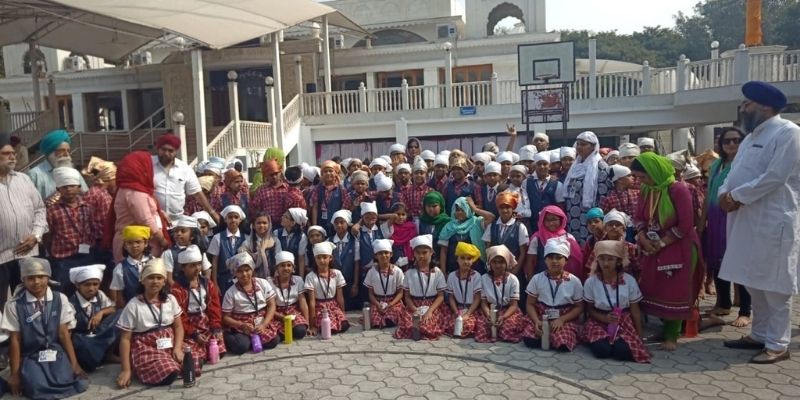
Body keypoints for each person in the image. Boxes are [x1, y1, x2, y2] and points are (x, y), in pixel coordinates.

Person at [718, 81, 800, 364]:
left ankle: (778, 344)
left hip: (773, 222)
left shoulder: (788, 133)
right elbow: (733, 172)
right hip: (745, 220)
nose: (743, 108)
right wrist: (723, 193)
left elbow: (775, 177)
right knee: (752, 281)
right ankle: (760, 334)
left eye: (747, 103)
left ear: (765, 106)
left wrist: (736, 196)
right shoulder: (750, 137)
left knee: (775, 284)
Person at [631, 152, 704, 351]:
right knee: (655, 287)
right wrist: (643, 238)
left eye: (643, 176)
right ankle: (665, 330)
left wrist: (662, 243)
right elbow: (639, 218)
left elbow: (686, 224)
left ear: (655, 171)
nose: (640, 181)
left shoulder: (678, 189)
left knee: (674, 290)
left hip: (679, 245)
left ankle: (672, 335)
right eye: (637, 177)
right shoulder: (647, 189)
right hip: (653, 246)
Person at [1, 258, 87, 398]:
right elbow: (15, 340)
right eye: (30, 278)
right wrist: (14, 374)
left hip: (54, 351)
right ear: (23, 280)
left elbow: (63, 334)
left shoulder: (60, 299)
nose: (36, 282)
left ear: (48, 277)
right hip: (30, 355)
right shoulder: (14, 305)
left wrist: (75, 364)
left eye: (41, 277)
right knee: (36, 386)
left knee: (64, 380)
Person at [701, 127, 751, 327]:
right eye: (727, 141)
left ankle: (745, 311)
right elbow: (708, 194)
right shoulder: (716, 165)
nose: (731, 144)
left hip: (736, 218)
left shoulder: (746, 164)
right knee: (717, 260)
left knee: (739, 262)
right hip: (715, 219)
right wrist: (702, 220)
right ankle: (723, 303)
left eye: (736, 140)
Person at [116, 258, 191, 388]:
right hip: (146, 348)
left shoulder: (170, 300)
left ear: (164, 282)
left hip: (170, 344)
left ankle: (174, 365)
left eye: (159, 278)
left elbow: (178, 327)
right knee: (168, 370)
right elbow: (125, 339)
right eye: (151, 278)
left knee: (193, 359)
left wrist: (177, 348)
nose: (155, 281)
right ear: (143, 280)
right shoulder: (134, 305)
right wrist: (126, 370)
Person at [582, 241, 650, 363]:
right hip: (599, 321)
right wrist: (604, 318)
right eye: (602, 259)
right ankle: (602, 342)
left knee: (621, 352)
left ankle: (615, 343)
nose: (605, 263)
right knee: (602, 351)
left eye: (610, 259)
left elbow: (635, 310)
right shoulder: (591, 282)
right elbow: (589, 309)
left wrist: (639, 337)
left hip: (623, 321)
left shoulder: (629, 281)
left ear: (618, 261)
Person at [0, 133, 47, 309]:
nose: (13, 157)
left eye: (13, 153)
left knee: (29, 305)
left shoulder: (24, 179)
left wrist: (36, 236)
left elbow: (40, 209)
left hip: (27, 254)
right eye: (6, 153)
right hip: (1, 258)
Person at [106, 151, 171, 263]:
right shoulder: (134, 192)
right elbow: (145, 219)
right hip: (136, 248)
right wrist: (162, 240)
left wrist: (161, 214)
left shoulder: (131, 189)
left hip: (138, 245)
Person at [521, 239, 584, 351]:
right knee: (529, 339)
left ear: (566, 260)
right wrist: (537, 321)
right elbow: (530, 304)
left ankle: (554, 338)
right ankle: (547, 337)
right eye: (550, 258)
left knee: (562, 344)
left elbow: (579, 307)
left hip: (564, 318)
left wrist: (562, 319)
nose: (554, 261)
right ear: (545, 260)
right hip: (542, 316)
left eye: (558, 258)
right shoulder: (537, 279)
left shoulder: (574, 281)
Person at [44, 167, 95, 294]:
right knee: (63, 292)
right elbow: (48, 235)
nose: (69, 190)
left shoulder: (87, 206)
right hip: (63, 259)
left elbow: (91, 228)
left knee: (85, 292)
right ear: (58, 189)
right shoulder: (52, 210)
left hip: (86, 255)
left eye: (72, 186)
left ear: (79, 187)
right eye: (65, 187)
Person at [171, 245, 226, 361]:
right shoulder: (177, 290)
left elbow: (214, 308)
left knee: (217, 345)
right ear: (183, 268)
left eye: (199, 264)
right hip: (188, 327)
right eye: (192, 266)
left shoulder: (207, 284)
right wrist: (194, 334)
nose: (197, 269)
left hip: (206, 324)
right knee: (191, 352)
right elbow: (180, 317)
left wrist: (216, 328)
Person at [152, 133, 218, 225]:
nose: (166, 153)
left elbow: (197, 193)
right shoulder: (148, 165)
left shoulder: (184, 168)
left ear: (176, 151)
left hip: (177, 222)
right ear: (158, 149)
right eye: (163, 149)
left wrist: (212, 213)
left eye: (170, 151)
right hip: (153, 219)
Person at [560, 131, 613, 244]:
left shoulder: (600, 166)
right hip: (573, 214)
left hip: (591, 214)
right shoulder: (576, 166)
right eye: (578, 144)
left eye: (583, 144)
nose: (579, 147)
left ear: (593, 147)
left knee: (590, 242)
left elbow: (604, 195)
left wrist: (598, 216)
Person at [221, 252, 280, 354]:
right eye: (240, 271)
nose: (244, 274)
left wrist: (264, 324)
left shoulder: (263, 283)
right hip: (243, 325)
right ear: (234, 273)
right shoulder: (230, 292)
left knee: (273, 341)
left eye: (247, 270)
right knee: (241, 347)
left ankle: (253, 341)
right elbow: (226, 317)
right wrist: (241, 325)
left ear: (252, 269)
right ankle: (229, 336)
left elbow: (271, 306)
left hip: (260, 322)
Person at [394, 235, 449, 340]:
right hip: (414, 306)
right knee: (409, 324)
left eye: (424, 252)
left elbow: (441, 296)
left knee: (429, 323)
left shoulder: (437, 272)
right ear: (414, 253)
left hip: (432, 306)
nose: (421, 256)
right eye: (418, 253)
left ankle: (422, 330)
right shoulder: (409, 273)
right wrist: (415, 310)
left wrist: (429, 311)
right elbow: (407, 297)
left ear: (431, 252)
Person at [68, 264, 121, 372]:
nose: (91, 288)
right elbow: (69, 331)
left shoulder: (99, 295)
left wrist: (101, 312)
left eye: (95, 284)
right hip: (82, 337)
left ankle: (108, 354)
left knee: (120, 314)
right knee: (85, 346)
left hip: (97, 332)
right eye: (87, 285)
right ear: (78, 285)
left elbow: (113, 309)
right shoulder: (71, 303)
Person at [474, 245, 527, 343]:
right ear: (489, 263)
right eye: (494, 262)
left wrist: (503, 317)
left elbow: (514, 305)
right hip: (490, 310)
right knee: (483, 328)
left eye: (501, 262)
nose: (497, 265)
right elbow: (484, 303)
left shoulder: (513, 279)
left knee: (508, 328)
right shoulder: (484, 278)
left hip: (508, 311)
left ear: (507, 263)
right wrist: (489, 315)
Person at [524, 205, 583, 279]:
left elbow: (576, 262)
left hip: (565, 280)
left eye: (554, 219)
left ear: (561, 220)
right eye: (547, 220)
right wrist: (531, 281)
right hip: (541, 280)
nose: (551, 223)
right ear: (542, 221)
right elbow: (531, 262)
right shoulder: (537, 238)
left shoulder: (568, 238)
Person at [439, 197, 495, 275]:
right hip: (454, 270)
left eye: (463, 209)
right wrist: (443, 272)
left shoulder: (477, 222)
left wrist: (475, 209)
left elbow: (491, 217)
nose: (459, 212)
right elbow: (444, 251)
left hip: (476, 268)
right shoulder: (448, 227)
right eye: (457, 210)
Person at [27, 129, 88, 200]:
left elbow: (86, 195)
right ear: (50, 153)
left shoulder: (74, 172)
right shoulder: (35, 174)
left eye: (68, 151)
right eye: (61, 151)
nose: (67, 154)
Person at [305, 242, 350, 335]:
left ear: (330, 258)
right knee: (329, 328)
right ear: (315, 259)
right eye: (318, 258)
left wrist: (343, 314)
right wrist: (312, 325)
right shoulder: (310, 276)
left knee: (344, 325)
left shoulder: (337, 273)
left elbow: (340, 297)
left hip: (333, 306)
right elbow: (312, 301)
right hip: (319, 307)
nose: (322, 260)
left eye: (324, 257)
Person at [362, 239, 405, 329]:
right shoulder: (372, 272)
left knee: (394, 315)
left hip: (393, 302)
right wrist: (378, 304)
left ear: (391, 254)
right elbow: (370, 294)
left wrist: (390, 304)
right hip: (377, 302)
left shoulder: (397, 271)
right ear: (376, 256)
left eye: (386, 253)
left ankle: (388, 321)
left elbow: (400, 293)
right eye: (380, 253)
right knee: (374, 317)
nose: (383, 255)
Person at [251, 158, 306, 226]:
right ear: (266, 176)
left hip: (285, 225)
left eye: (276, 174)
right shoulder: (261, 190)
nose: (274, 177)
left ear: (280, 172)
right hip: (268, 226)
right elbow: (255, 208)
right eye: (271, 175)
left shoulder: (288, 188)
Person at [445, 242, 483, 338]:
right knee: (451, 324)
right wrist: (456, 312)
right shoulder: (452, 276)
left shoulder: (476, 276)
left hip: (472, 309)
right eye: (462, 258)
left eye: (469, 259)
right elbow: (451, 297)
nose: (465, 261)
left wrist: (468, 314)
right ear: (457, 259)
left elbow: (477, 298)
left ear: (473, 260)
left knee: (468, 325)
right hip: (458, 308)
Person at [208, 205, 248, 297]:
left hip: (242, 279)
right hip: (223, 280)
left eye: (236, 217)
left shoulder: (246, 238)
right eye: (230, 217)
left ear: (240, 220)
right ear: (225, 219)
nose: (233, 220)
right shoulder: (217, 238)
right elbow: (214, 262)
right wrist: (215, 283)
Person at [270, 251, 310, 341]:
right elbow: (270, 307)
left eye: (289, 265)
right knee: (277, 335)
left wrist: (307, 324)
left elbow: (303, 302)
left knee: (301, 331)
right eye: (282, 265)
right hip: (277, 313)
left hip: (293, 312)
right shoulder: (269, 282)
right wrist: (283, 318)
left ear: (293, 268)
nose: (286, 268)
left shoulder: (298, 280)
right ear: (277, 268)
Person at [110, 225, 153, 307]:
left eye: (138, 242)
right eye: (130, 243)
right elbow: (119, 295)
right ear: (125, 246)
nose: (134, 246)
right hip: (132, 308)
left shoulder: (154, 262)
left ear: (146, 243)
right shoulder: (120, 268)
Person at [329, 209, 359, 310]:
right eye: (336, 223)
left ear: (348, 223)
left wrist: (355, 284)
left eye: (342, 222)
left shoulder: (354, 241)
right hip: (334, 282)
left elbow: (356, 263)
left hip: (349, 280)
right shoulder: (329, 241)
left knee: (350, 306)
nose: (339, 225)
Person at [311, 160, 351, 236]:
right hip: (321, 223)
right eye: (325, 171)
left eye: (330, 171)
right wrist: (315, 226)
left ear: (335, 173)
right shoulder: (317, 189)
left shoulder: (341, 189)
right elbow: (315, 208)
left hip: (336, 224)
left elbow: (344, 208)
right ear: (322, 174)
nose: (328, 173)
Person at [526, 151, 562, 234]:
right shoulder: (526, 182)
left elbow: (561, 206)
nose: (542, 167)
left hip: (550, 225)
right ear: (535, 166)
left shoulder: (557, 184)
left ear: (549, 166)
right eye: (539, 164)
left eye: (545, 164)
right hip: (532, 224)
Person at [274, 208, 308, 277]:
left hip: (294, 269)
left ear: (293, 223)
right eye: (283, 215)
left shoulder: (302, 237)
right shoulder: (276, 233)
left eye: (286, 217)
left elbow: (301, 258)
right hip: (279, 269)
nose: (282, 218)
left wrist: (301, 277)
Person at [243, 213, 276, 279]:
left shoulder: (275, 241)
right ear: (253, 226)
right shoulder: (247, 243)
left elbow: (278, 260)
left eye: (264, 223)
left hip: (273, 278)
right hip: (253, 279)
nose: (261, 225)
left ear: (269, 225)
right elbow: (245, 264)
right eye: (258, 223)